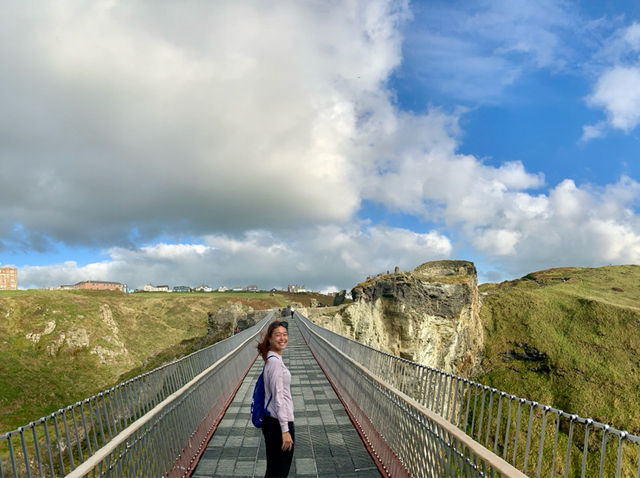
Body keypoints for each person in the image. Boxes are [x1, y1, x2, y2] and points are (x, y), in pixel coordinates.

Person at [257, 321, 294, 477]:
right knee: (279, 472)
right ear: (270, 339)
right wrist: (285, 430)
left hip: (272, 422)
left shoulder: (272, 359)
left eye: (285, 334)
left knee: (273, 470)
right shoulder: (275, 363)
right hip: (278, 424)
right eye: (277, 335)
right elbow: (278, 398)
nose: (282, 338)